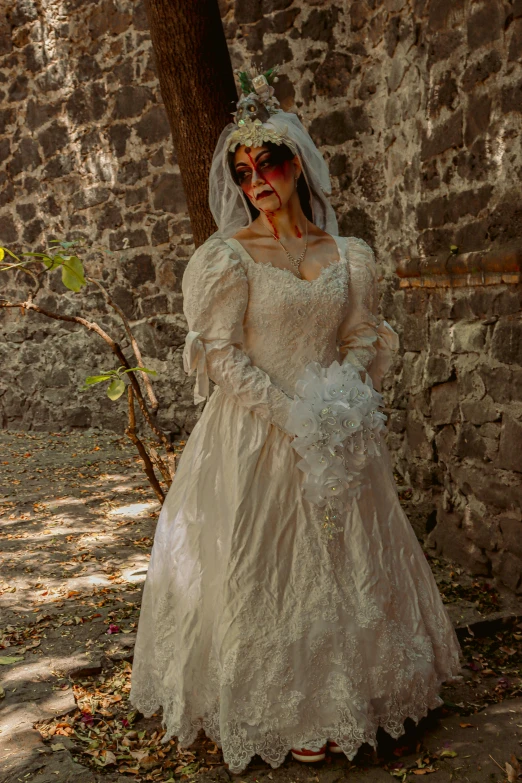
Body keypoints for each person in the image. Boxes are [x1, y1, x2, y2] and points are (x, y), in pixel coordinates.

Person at [130, 67, 462, 775]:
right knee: (266, 566)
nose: (258, 180)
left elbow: (362, 334)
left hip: (337, 432)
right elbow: (220, 354)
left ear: (298, 165)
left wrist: (343, 397)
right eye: (243, 170)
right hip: (257, 432)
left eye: (269, 163)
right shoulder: (226, 260)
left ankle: (364, 695)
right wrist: (291, 414)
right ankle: (287, 708)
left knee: (353, 556)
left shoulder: (348, 256)